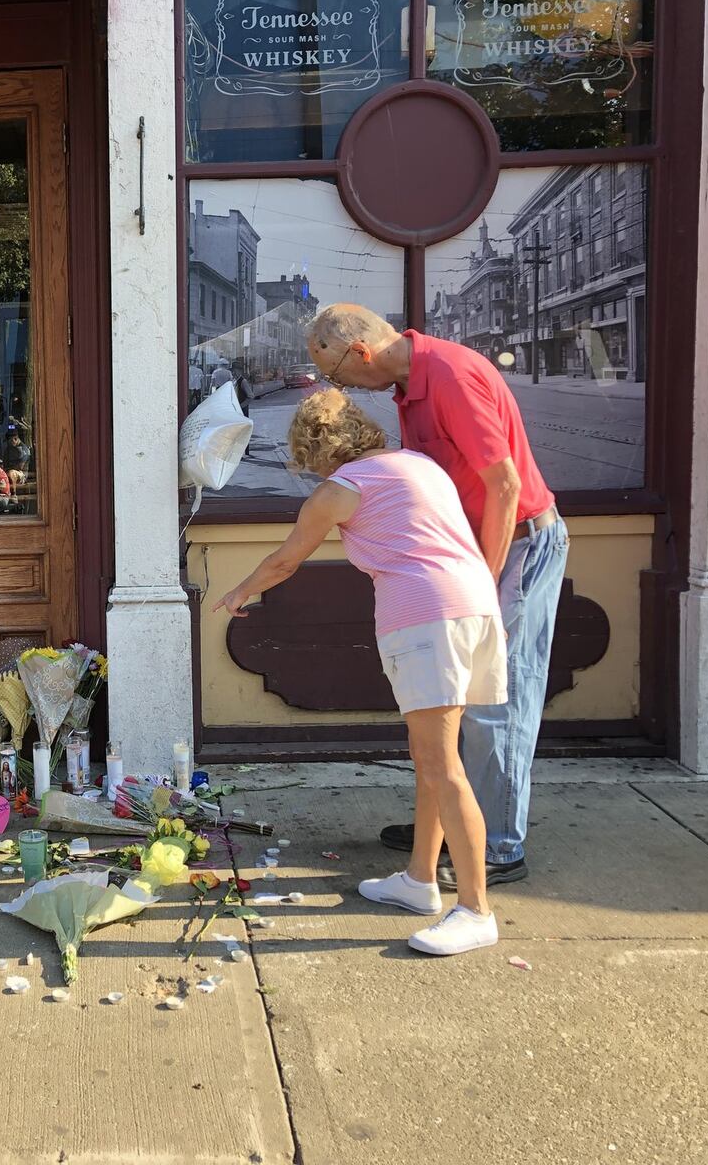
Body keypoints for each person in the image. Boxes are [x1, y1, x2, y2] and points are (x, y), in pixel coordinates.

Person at [214, 388, 503, 955]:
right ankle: (420, 880)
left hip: (425, 619)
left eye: (302, 458)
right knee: (432, 759)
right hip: (473, 607)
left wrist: (239, 591)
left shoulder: (338, 490)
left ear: (316, 451)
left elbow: (285, 561)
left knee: (443, 768)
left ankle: (476, 909)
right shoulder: (417, 465)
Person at [306, 303, 565, 887]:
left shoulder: (448, 374)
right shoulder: (409, 387)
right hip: (475, 553)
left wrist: (486, 583)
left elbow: (504, 485)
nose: (338, 387)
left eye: (335, 374)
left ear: (361, 353)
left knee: (495, 702)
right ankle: (452, 826)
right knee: (456, 701)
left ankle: (498, 847)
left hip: (516, 546)